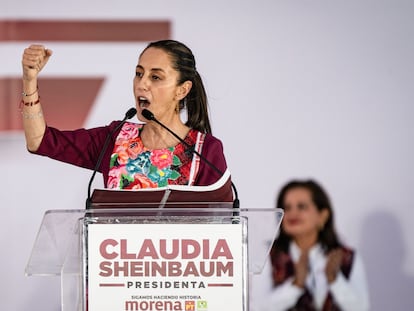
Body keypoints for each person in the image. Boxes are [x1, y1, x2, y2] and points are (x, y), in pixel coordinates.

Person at [20, 40, 233, 199]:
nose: (142, 84)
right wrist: (29, 81)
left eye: (155, 77)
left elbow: (221, 229)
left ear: (182, 90)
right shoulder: (115, 138)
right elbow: (40, 141)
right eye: (139, 73)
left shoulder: (204, 152)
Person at [257, 179, 369, 311]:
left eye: (301, 206)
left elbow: (362, 308)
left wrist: (335, 281)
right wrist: (296, 285)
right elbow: (257, 307)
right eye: (287, 208)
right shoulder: (268, 254)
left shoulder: (346, 257)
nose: (292, 214)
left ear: (323, 215)